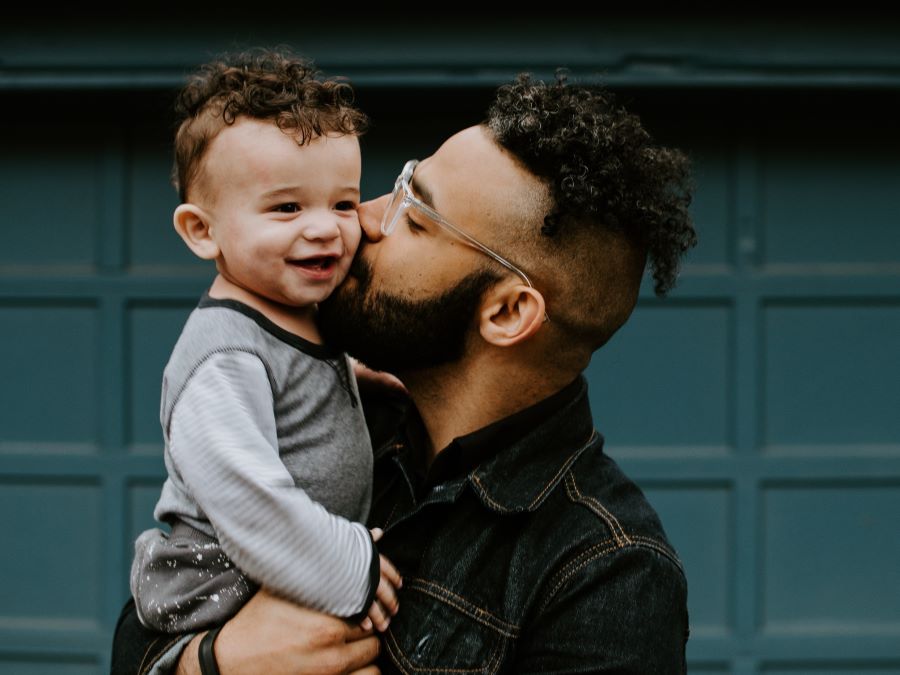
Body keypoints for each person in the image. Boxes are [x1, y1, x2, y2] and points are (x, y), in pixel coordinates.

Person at [112, 68, 697, 674]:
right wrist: (212, 664)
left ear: (507, 311)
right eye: (397, 189)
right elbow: (145, 622)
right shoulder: (335, 416)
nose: (359, 220)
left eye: (414, 218)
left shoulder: (605, 571)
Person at [127, 47, 401, 644]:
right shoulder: (223, 359)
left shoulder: (297, 313)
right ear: (203, 231)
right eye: (286, 207)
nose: (325, 226)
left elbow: (295, 378)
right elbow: (248, 499)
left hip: (283, 569)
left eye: (344, 204)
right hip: (219, 585)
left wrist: (356, 376)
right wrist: (347, 567)